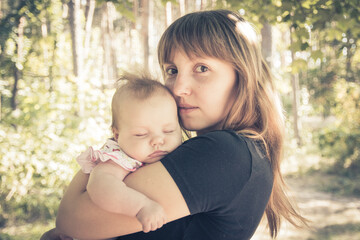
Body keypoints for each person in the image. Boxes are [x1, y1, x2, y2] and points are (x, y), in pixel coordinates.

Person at [41, 9, 308, 240]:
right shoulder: (242, 151)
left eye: (201, 68)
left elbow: (72, 219)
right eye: (172, 70)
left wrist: (115, 149)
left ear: (243, 76)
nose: (178, 88)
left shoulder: (224, 153)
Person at [76, 74, 182, 233]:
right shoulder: (119, 159)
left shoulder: (182, 153)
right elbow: (100, 187)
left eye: (169, 130)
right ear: (117, 135)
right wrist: (141, 206)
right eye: (141, 134)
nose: (158, 140)